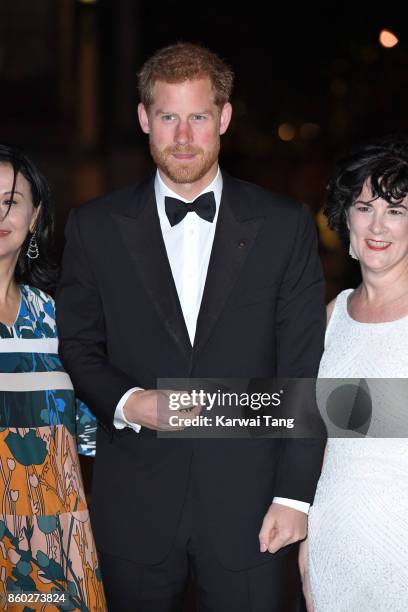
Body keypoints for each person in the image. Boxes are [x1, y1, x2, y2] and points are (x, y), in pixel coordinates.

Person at [56, 42, 326, 612]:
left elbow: (301, 369)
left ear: (223, 118)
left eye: (198, 116)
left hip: (253, 510)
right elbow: (79, 346)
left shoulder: (283, 226)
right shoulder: (95, 227)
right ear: (143, 119)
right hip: (134, 506)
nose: (182, 136)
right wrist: (129, 402)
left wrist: (294, 496)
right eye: (167, 117)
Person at [299, 135, 408, 611]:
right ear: (346, 218)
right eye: (365, 207)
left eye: (397, 211)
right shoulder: (330, 317)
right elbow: (313, 433)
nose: (378, 224)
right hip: (335, 537)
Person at [0, 145, 106, 611]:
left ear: (35, 214)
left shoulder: (53, 316)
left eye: (12, 200)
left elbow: (91, 431)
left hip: (55, 533)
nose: (0, 213)